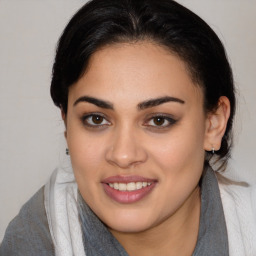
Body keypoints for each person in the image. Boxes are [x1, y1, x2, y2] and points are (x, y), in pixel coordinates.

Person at [1, 0, 255, 255]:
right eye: (96, 119)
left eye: (159, 120)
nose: (123, 155)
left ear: (213, 124)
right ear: (67, 125)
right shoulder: (30, 244)